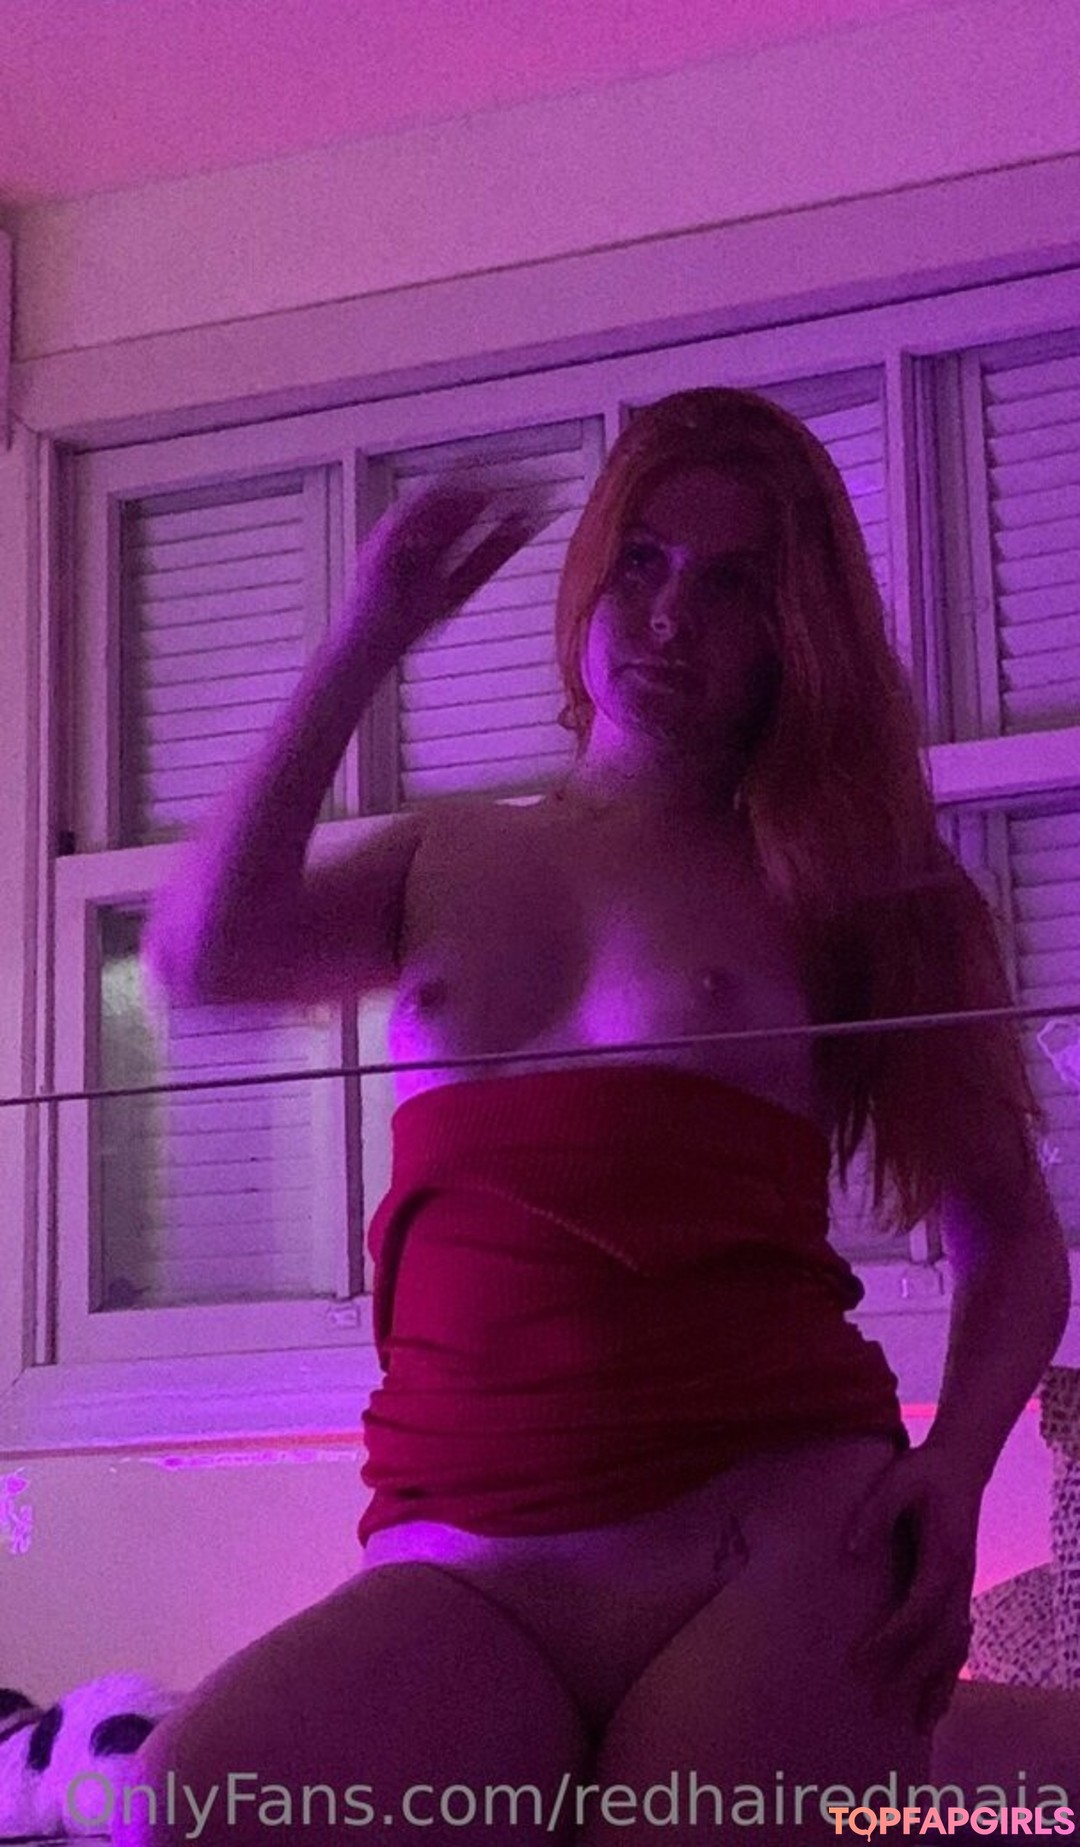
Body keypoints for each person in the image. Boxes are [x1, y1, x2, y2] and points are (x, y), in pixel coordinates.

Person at [122, 388, 1070, 1847]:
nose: (675, 615)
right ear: (588, 580)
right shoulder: (446, 852)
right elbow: (204, 955)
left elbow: (1010, 1230)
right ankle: (971, 1754)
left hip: (765, 1532)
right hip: (466, 1556)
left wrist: (956, 1471)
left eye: (734, 583)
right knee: (195, 1800)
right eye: (644, 560)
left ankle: (943, 1749)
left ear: (794, 632)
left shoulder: (858, 883)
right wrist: (368, 631)